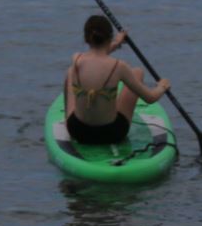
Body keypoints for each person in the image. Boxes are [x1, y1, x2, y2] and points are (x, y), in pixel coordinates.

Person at [65, 14, 168, 145]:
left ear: (86, 39)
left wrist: (117, 43)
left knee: (70, 72)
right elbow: (150, 98)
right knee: (137, 72)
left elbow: (96, 58)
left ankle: (67, 121)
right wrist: (163, 86)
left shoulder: (76, 59)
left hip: (78, 132)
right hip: (112, 134)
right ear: (109, 37)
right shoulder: (119, 66)